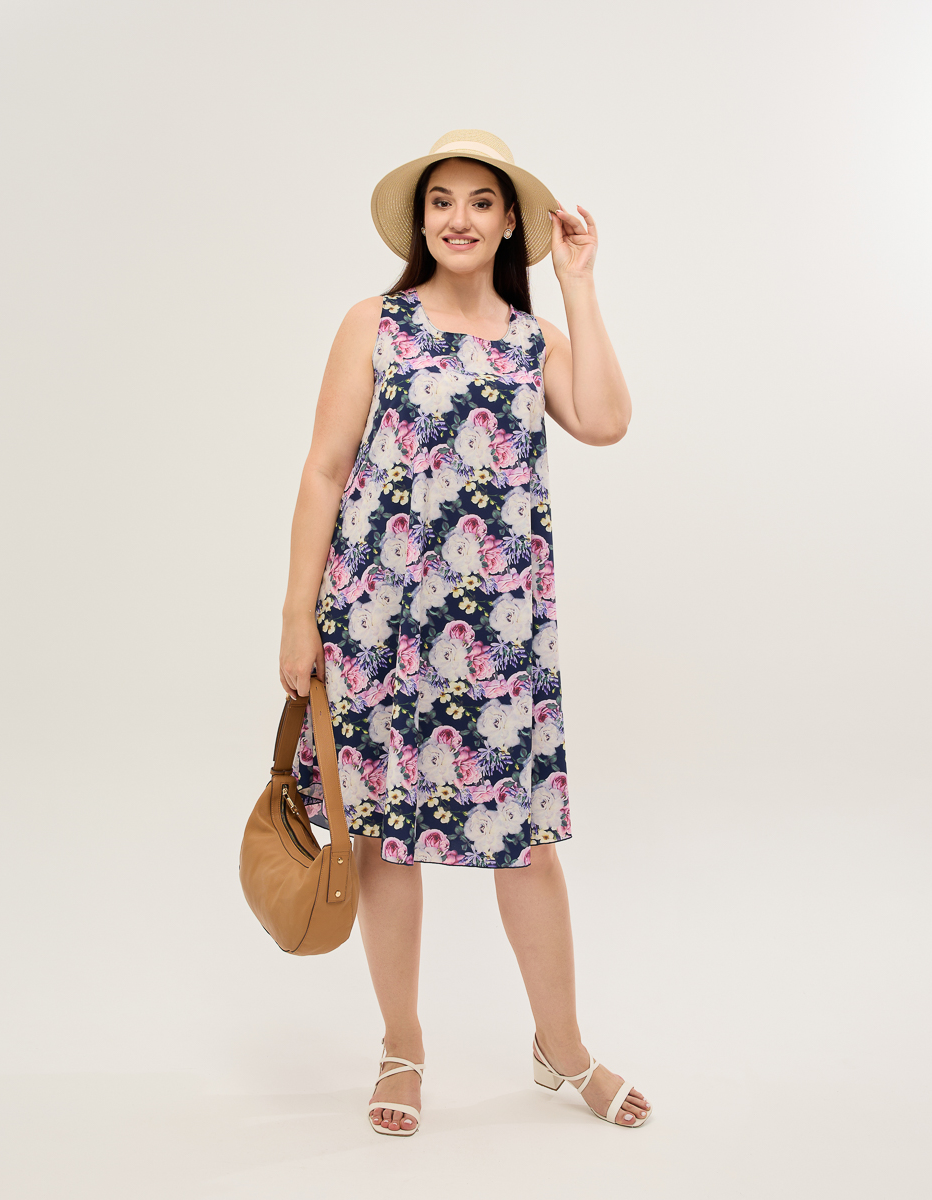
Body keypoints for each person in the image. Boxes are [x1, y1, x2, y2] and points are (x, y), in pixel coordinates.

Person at [277, 130, 650, 1136]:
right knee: (384, 840)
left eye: (482, 201)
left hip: (498, 631)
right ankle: (401, 1047)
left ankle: (562, 1047)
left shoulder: (533, 341)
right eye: (441, 199)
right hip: (377, 617)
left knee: (523, 845)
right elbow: (324, 469)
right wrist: (297, 615)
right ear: (420, 219)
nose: (459, 217)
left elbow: (607, 420)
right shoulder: (375, 322)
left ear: (510, 222)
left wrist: (578, 283)